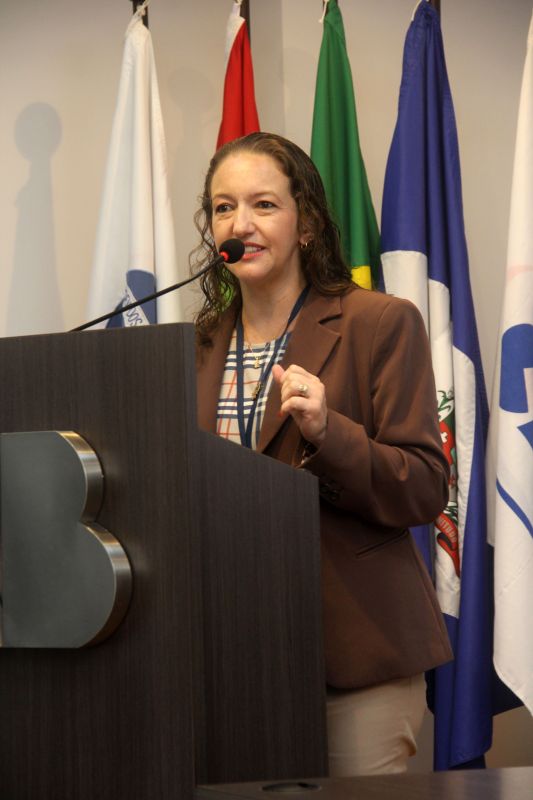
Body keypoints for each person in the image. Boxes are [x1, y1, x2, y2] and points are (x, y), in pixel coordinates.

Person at [193, 132, 452, 776]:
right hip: (229, 661)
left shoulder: (379, 322)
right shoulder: (195, 348)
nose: (240, 224)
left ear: (306, 223)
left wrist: (330, 432)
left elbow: (424, 488)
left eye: (264, 205)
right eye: (224, 208)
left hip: (352, 655)